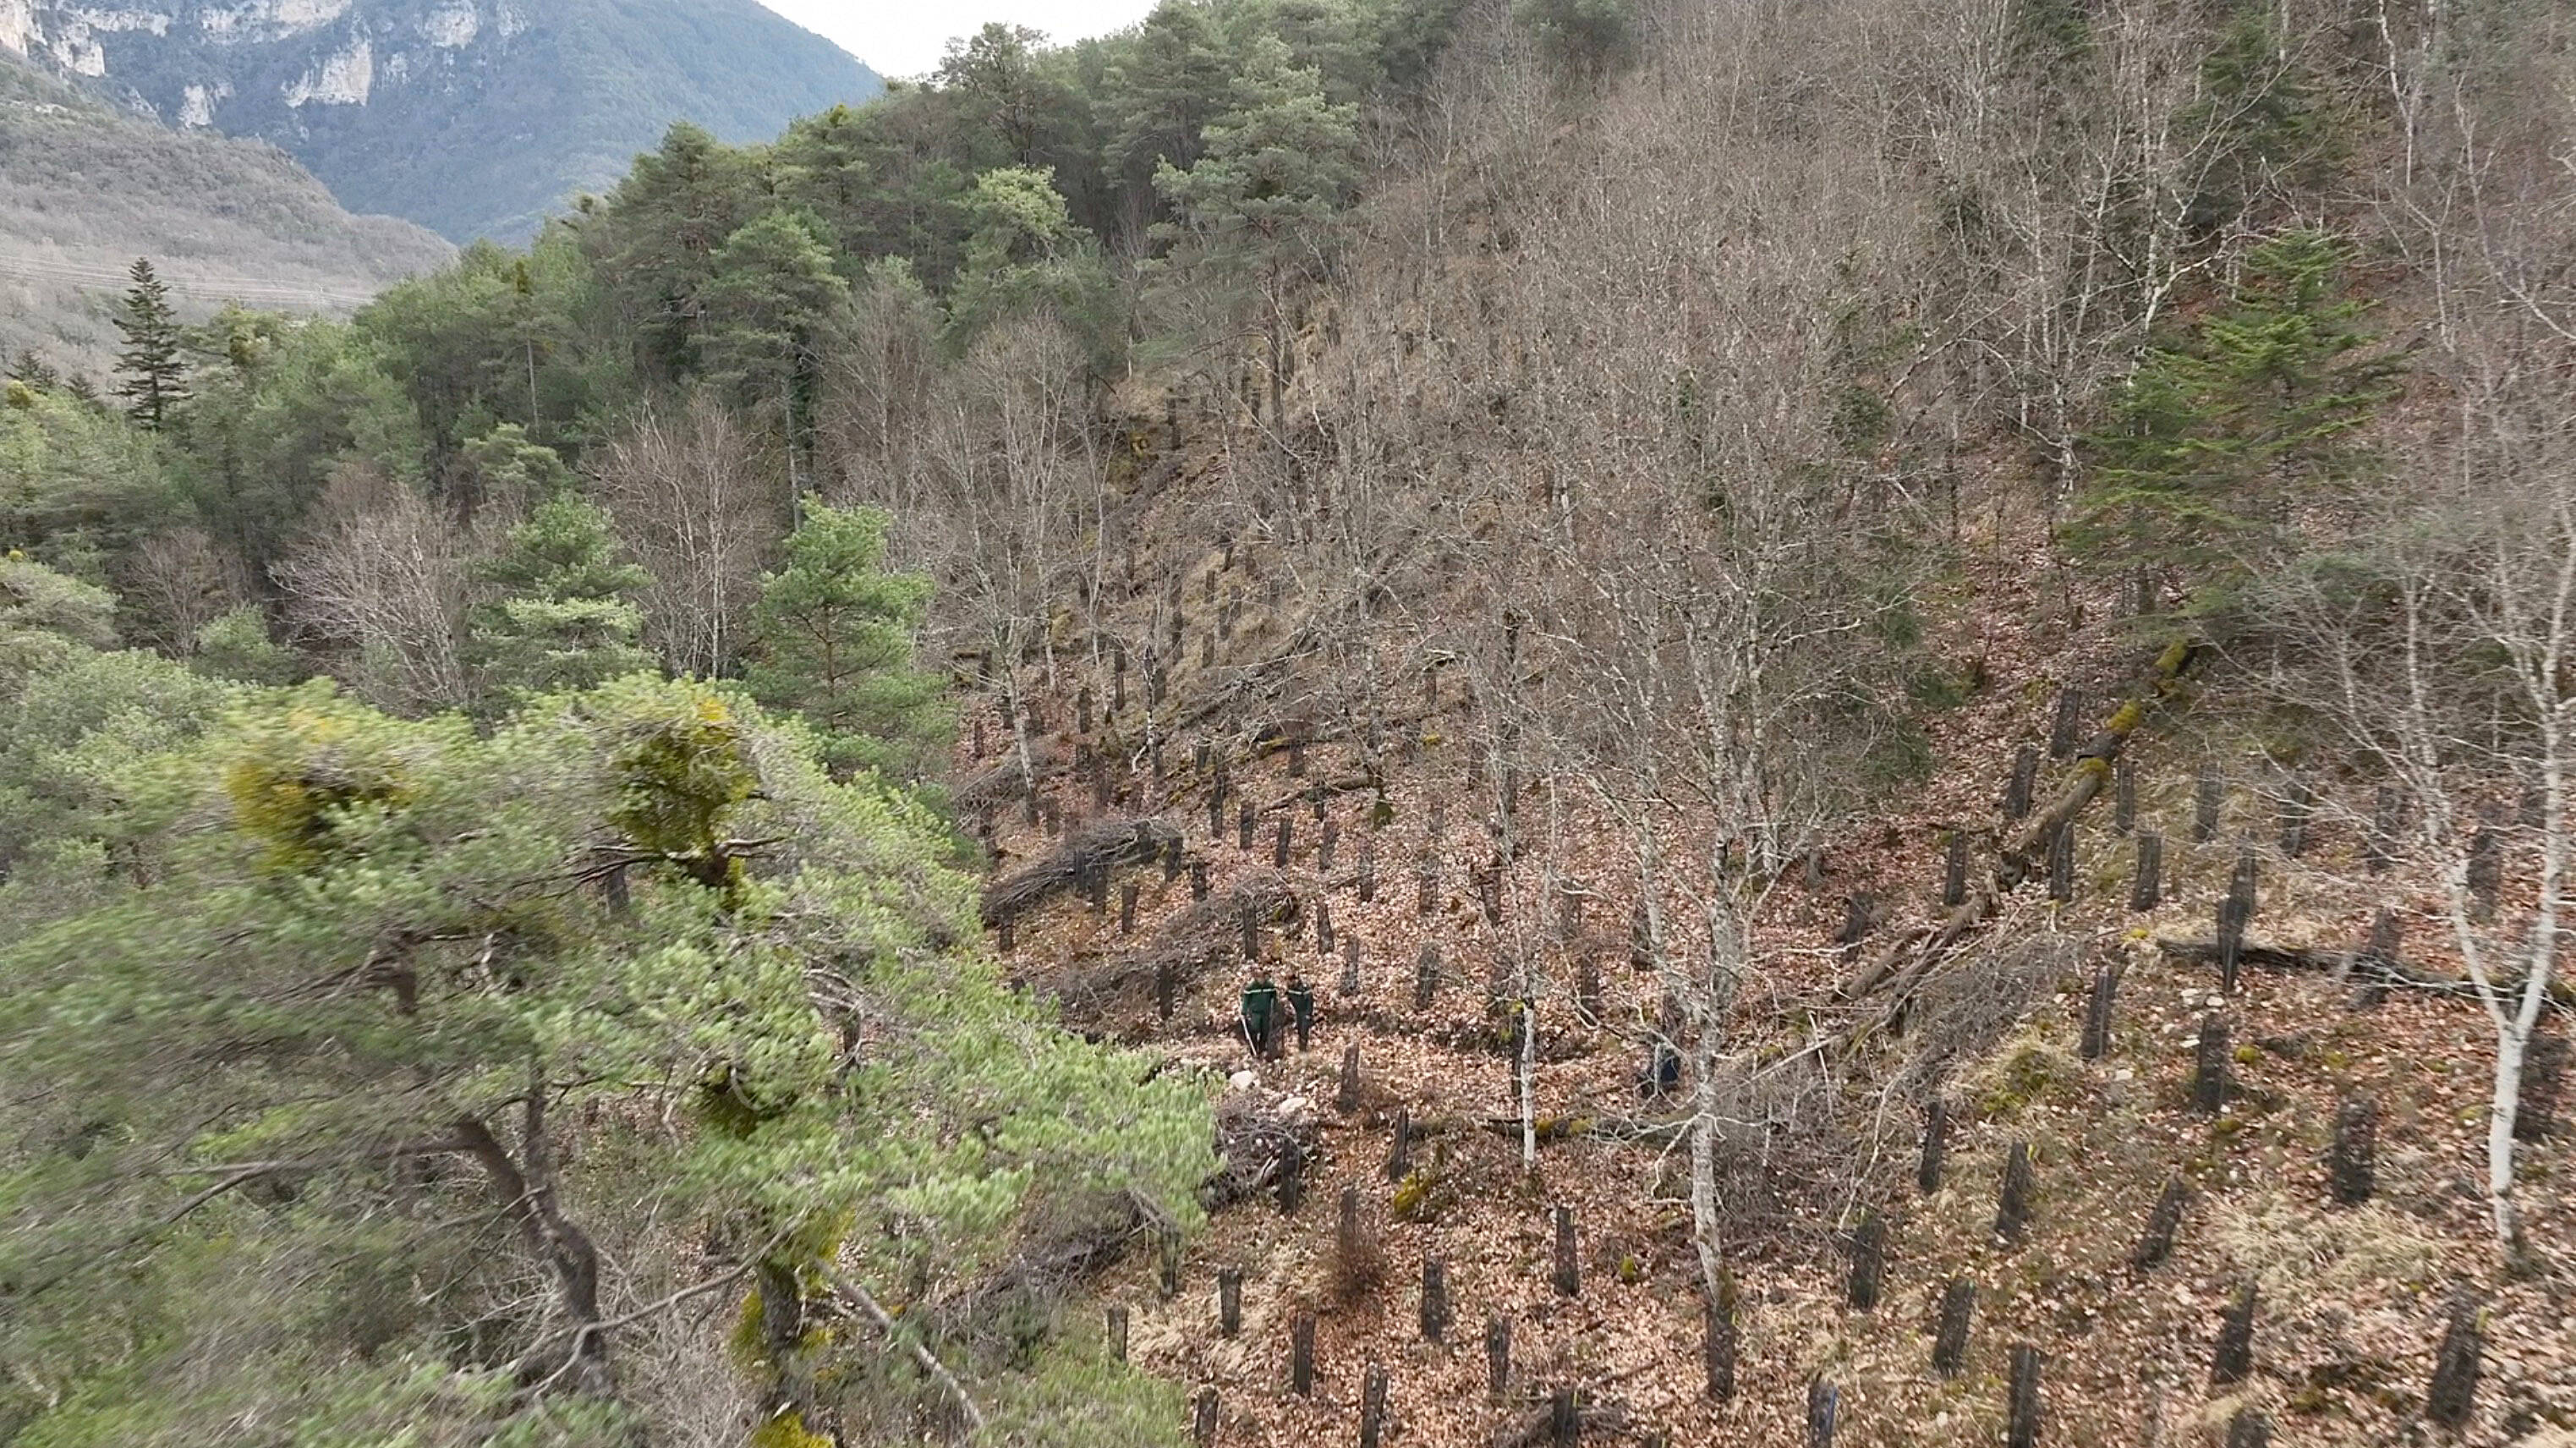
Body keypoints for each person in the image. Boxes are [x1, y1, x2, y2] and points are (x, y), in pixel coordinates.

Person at [1241, 970, 1282, 1059]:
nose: (1262, 980)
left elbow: (1274, 997)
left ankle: (1262, 1048)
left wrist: (1275, 1008)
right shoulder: (1251, 987)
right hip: (1255, 1012)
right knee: (1254, 1030)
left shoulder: (1269, 986)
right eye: (1260, 978)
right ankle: (1254, 1050)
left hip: (1266, 1012)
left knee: (1265, 1030)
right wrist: (1244, 1012)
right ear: (1256, 978)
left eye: (1263, 978)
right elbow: (1246, 1000)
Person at [1285, 972, 1316, 1052]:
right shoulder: (1290, 989)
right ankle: (1301, 1048)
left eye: (1291, 981)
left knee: (1304, 1031)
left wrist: (1308, 1014)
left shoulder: (1304, 988)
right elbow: (1289, 999)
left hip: (1305, 1011)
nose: (1289, 983)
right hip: (1297, 1012)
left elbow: (1310, 1002)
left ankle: (1304, 1048)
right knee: (1299, 1030)